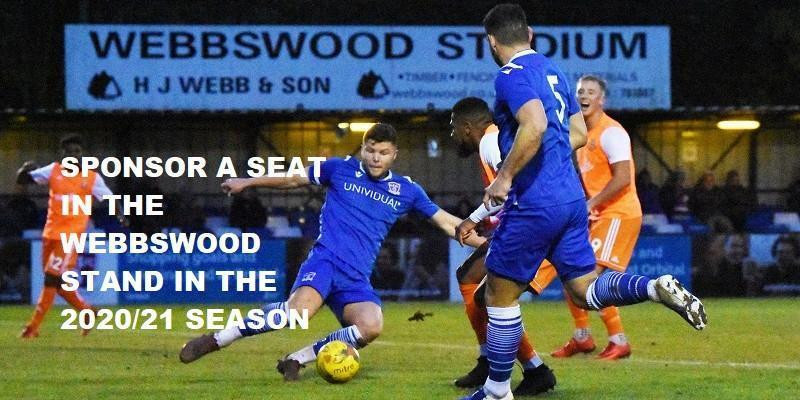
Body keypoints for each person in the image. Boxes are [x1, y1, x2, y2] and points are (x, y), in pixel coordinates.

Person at [458, 5, 706, 399]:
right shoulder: (555, 72)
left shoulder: (509, 75)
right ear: (531, 34)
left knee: (497, 296)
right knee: (584, 290)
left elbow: (535, 124)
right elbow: (577, 133)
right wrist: (548, 148)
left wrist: (505, 176)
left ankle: (497, 390)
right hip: (571, 198)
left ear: (492, 40)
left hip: (534, 202)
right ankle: (654, 288)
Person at [179, 123, 487, 381]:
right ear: (363, 148)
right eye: (370, 150)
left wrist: (491, 244)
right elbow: (293, 179)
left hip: (356, 277)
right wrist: (248, 181)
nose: (375, 158)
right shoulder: (338, 169)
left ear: (394, 154)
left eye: (382, 153)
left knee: (371, 326)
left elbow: (449, 223)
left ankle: (297, 359)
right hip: (325, 261)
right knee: (296, 314)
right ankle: (218, 339)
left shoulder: (407, 191)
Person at [449, 97, 555, 396]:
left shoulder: (490, 142)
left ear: (467, 127)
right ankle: (489, 360)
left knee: (583, 291)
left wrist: (472, 219)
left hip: (536, 227)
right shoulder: (496, 139)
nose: (453, 135)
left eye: (454, 128)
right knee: (469, 277)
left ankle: (534, 370)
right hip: (527, 224)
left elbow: (512, 189)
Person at [546, 75, 643, 360]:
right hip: (598, 214)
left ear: (602, 99)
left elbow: (623, 178)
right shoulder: (579, 133)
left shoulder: (611, 132)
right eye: (580, 92)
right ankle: (582, 337)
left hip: (618, 214)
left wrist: (592, 203)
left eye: (591, 92)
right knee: (570, 272)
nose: (584, 96)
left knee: (588, 279)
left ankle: (618, 339)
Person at [17, 134, 122, 338]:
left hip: (70, 237)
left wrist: (121, 216)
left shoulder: (92, 177)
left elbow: (109, 198)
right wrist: (24, 169)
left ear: (82, 154)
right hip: (50, 234)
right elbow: (23, 179)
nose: (73, 155)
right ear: (62, 154)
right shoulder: (53, 170)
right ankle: (87, 311)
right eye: (69, 151)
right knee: (59, 285)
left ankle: (32, 327)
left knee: (50, 278)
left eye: (77, 151)